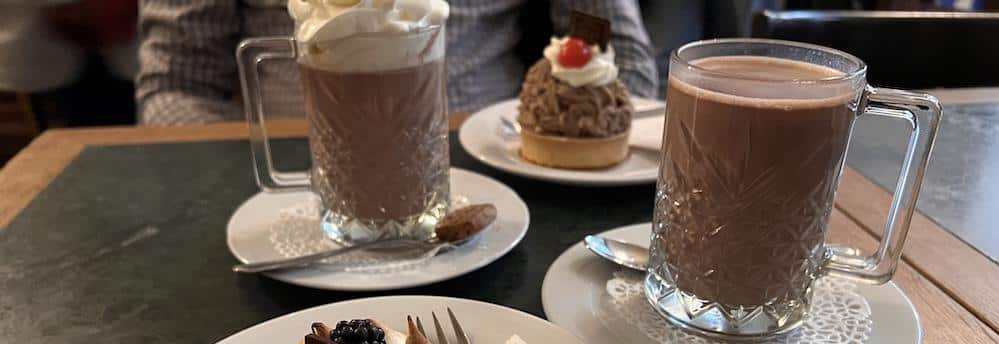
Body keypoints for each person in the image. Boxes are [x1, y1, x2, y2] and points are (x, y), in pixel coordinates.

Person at [136, 0, 658, 125]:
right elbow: (174, 85)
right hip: (293, 158)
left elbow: (619, 51)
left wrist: (588, 128)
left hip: (502, 152)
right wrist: (248, 174)